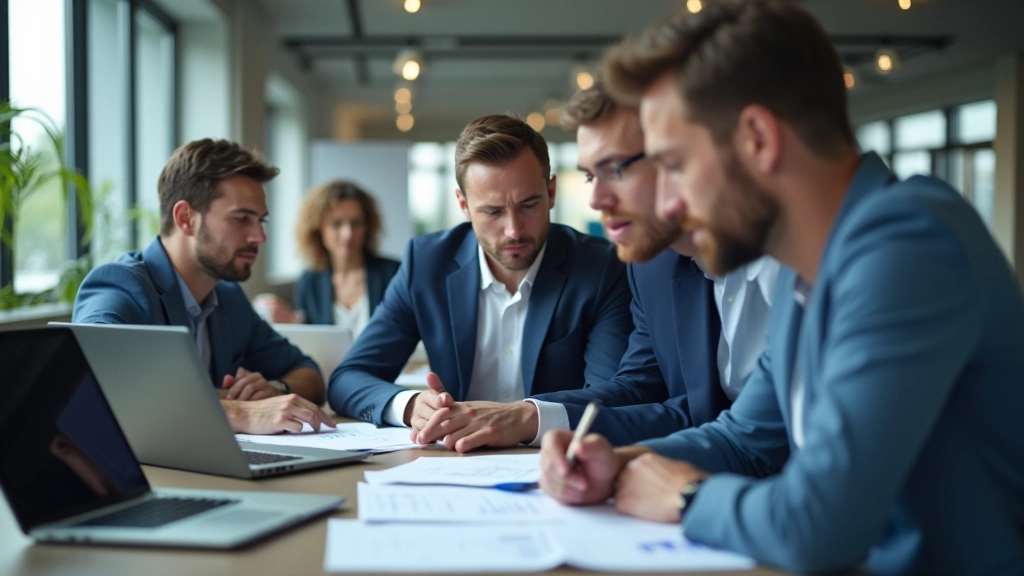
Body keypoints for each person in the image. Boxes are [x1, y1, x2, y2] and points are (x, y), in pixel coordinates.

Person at [540, 1, 1024, 574]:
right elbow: (743, 438)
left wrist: (685, 496)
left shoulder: (909, 245)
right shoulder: (809, 267)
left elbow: (816, 528)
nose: (666, 203)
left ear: (758, 140)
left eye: (676, 164)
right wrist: (617, 463)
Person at [410, 83, 779, 453]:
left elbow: (758, 438)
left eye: (615, 169)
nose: (596, 199)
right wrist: (532, 418)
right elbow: (648, 391)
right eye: (590, 175)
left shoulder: (798, 268)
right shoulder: (654, 266)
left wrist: (528, 420)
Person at [329, 114, 633, 434]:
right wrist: (411, 406)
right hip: (452, 460)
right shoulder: (427, 264)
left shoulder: (601, 267)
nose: (514, 229)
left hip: (552, 458)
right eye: (492, 211)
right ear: (463, 205)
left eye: (528, 204)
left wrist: (522, 418)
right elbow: (348, 379)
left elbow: (614, 396)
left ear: (551, 191)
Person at [73, 139, 335, 435]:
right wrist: (240, 412)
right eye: (242, 219)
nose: (259, 236)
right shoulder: (121, 286)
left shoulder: (228, 299)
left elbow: (310, 374)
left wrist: (274, 390)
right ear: (186, 218)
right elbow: (90, 377)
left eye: (260, 221)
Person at [261, 180, 400, 339]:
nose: (347, 234)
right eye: (336, 224)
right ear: (318, 228)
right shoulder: (309, 282)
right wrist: (294, 326)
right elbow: (312, 342)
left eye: (356, 223)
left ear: (368, 226)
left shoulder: (394, 274)